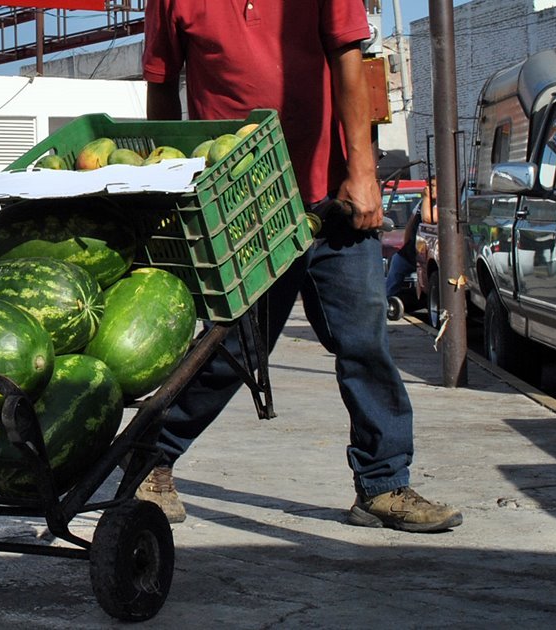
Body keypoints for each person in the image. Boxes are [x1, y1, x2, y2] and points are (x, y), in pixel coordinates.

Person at [138, 0, 462, 533]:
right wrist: (169, 178)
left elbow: (349, 59)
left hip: (331, 199)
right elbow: (161, 83)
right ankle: (153, 459)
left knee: (364, 341)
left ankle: (382, 485)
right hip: (244, 205)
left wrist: (362, 171)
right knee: (235, 347)